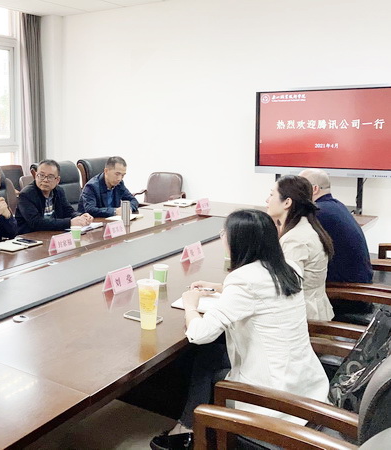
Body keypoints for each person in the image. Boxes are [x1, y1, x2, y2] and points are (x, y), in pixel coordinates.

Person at [150, 210, 329, 450]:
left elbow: (200, 334)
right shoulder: (289, 268)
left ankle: (189, 430)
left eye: (225, 233)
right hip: (304, 382)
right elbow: (264, 292)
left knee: (204, 352)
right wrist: (220, 287)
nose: (222, 236)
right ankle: (188, 426)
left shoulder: (244, 279)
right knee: (209, 357)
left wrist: (190, 304)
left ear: (240, 240)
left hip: (272, 394)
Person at [266, 175, 335, 320]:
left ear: (287, 202)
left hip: (303, 317)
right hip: (312, 309)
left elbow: (287, 287)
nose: (267, 200)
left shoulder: (296, 239)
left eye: (271, 195)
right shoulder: (305, 227)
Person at [299, 169, 373, 283]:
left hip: (346, 285)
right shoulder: (336, 205)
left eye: (300, 186)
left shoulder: (318, 212)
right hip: (359, 276)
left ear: (314, 189)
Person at [16, 160, 93, 234]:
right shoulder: (26, 194)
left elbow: (68, 211)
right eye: (41, 175)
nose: (45, 180)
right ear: (36, 176)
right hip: (31, 237)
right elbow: (36, 222)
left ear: (57, 180)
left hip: (53, 233)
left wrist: (81, 216)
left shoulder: (58, 191)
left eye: (50, 177)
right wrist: (70, 222)